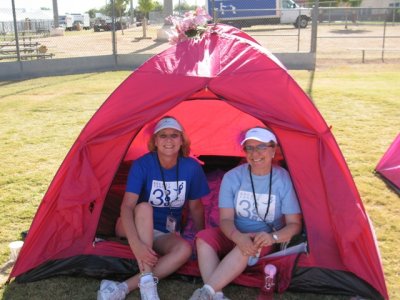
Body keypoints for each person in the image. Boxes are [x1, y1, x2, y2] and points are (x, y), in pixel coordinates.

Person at [97, 116, 210, 300]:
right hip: (132, 225)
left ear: (182, 141)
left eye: (174, 135)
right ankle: (148, 288)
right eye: (163, 135)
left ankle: (122, 288)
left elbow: (196, 207)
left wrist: (202, 240)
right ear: (155, 141)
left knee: (184, 250)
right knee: (144, 208)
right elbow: (127, 207)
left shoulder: (192, 167)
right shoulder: (142, 164)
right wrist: (137, 244)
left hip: (163, 232)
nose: (168, 140)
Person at [189, 127, 302, 300]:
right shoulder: (232, 177)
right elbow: (225, 219)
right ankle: (217, 295)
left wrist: (273, 238)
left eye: (261, 147)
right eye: (249, 148)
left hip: (263, 238)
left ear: (273, 150)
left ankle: (206, 293)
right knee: (203, 238)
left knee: (249, 244)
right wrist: (236, 236)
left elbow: (295, 224)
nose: (254, 153)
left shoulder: (282, 178)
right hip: (235, 233)